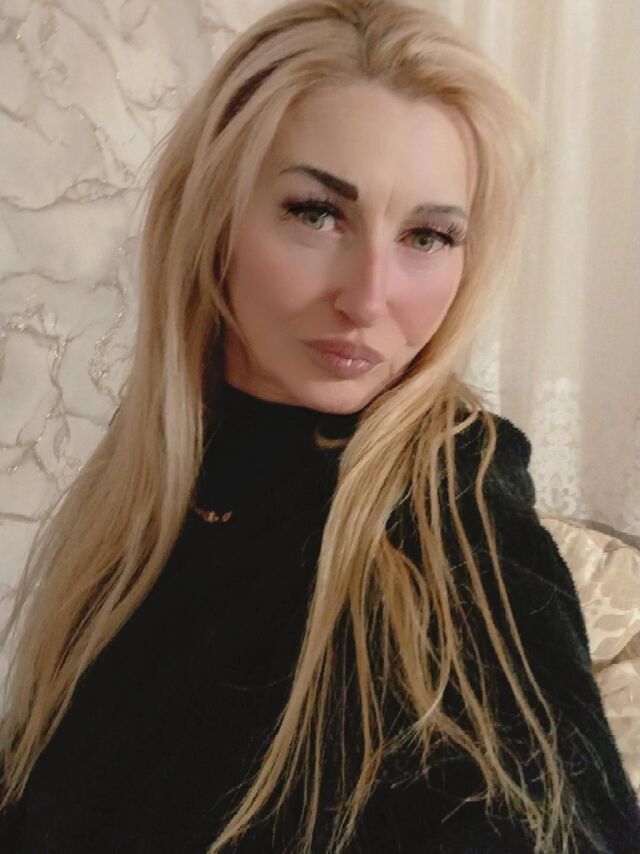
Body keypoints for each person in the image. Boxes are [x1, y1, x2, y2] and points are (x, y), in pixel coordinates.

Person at [0, 0, 638, 851]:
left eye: (427, 235)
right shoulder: (160, 476)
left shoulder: (453, 512)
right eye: (316, 213)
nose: (368, 297)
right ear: (214, 214)